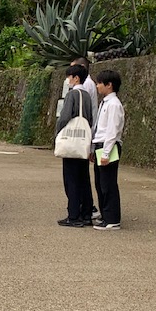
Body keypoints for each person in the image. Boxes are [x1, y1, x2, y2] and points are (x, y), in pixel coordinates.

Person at [55, 64, 94, 228]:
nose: (67, 80)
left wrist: (58, 131)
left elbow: (64, 117)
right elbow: (90, 118)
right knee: (83, 179)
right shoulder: (87, 95)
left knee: (71, 180)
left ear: (76, 78)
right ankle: (86, 213)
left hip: (71, 142)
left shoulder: (71, 95)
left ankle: (73, 215)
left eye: (69, 77)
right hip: (83, 141)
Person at [92, 70, 125, 231]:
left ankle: (112, 219)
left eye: (99, 83)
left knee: (108, 183)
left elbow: (112, 130)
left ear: (109, 85)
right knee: (100, 183)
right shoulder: (105, 103)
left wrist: (106, 153)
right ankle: (105, 214)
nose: (97, 86)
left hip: (109, 145)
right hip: (101, 145)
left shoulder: (114, 104)